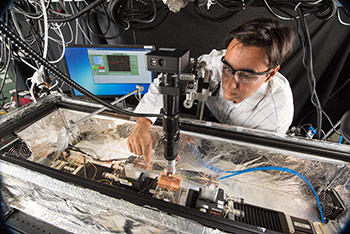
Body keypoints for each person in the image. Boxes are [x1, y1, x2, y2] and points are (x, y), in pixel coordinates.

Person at [127, 17, 295, 163]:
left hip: (240, 149)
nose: (229, 84)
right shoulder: (215, 63)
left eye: (245, 76)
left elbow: (254, 160)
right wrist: (143, 122)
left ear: (270, 74)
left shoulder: (276, 113)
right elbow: (166, 82)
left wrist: (201, 150)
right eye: (227, 69)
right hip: (209, 120)